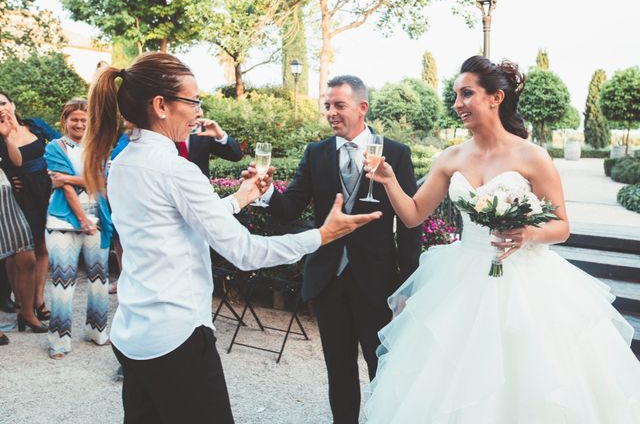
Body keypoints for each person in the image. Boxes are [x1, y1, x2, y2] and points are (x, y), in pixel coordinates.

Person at [82, 52, 381, 424]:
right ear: (161, 105)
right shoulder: (175, 169)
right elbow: (245, 251)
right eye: (192, 100)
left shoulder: (122, 163)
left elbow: (178, 223)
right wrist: (321, 236)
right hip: (177, 338)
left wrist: (240, 199)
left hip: (133, 334)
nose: (197, 111)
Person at [363, 56, 640, 423]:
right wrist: (389, 181)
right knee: (455, 378)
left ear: (495, 98)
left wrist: (527, 233)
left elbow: (561, 226)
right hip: (461, 281)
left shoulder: (532, 156)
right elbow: (413, 214)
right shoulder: (450, 157)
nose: (458, 104)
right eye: (456, 95)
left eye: (467, 94)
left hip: (525, 283)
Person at [256, 75, 421, 424]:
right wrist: (266, 191)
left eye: (339, 105)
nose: (331, 112)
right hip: (328, 279)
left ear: (362, 108)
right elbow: (290, 209)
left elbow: (410, 225)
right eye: (327, 105)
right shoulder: (316, 153)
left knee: (382, 367)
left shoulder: (395, 152)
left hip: (377, 282)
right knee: (339, 370)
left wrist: (408, 287)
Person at [44, 99, 113, 359]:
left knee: (99, 279)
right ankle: (59, 341)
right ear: (65, 120)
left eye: (84, 120)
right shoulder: (54, 147)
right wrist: (82, 217)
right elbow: (65, 188)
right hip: (63, 221)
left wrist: (69, 178)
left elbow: (100, 182)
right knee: (63, 281)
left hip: (98, 218)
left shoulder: (99, 147)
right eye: (74, 119)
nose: (80, 124)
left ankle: (97, 331)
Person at [0, 90, 60, 322]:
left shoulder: (34, 125)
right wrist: (6, 136)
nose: (1, 108)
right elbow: (16, 162)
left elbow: (58, 142)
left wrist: (55, 167)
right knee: (20, 251)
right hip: (21, 195)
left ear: (13, 104)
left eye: (4, 103)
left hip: (46, 189)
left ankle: (38, 300)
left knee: (43, 246)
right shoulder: (1, 135)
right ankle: (20, 303)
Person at [0, 164, 46, 339]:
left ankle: (26, 313)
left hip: (5, 196)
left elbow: (18, 162)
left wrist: (7, 136)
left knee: (26, 257)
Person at [183, 106, 243, 178]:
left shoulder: (204, 131)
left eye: (199, 107)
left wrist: (221, 136)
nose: (200, 113)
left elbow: (236, 156)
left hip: (201, 188)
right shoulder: (167, 134)